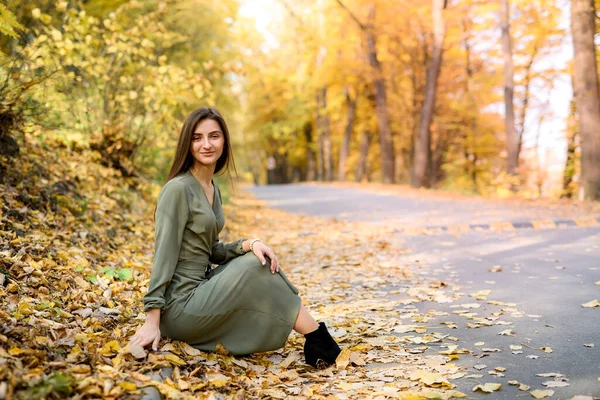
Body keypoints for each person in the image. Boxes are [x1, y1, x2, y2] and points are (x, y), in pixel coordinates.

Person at [130, 107, 341, 367]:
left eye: (214, 136)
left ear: (224, 141)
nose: (206, 144)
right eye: (197, 138)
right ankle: (317, 337)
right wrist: (152, 321)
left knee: (258, 257)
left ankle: (317, 338)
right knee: (255, 265)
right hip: (180, 306)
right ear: (187, 144)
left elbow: (213, 251)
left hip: (202, 289)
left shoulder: (211, 188)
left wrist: (250, 243)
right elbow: (163, 255)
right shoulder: (177, 189)